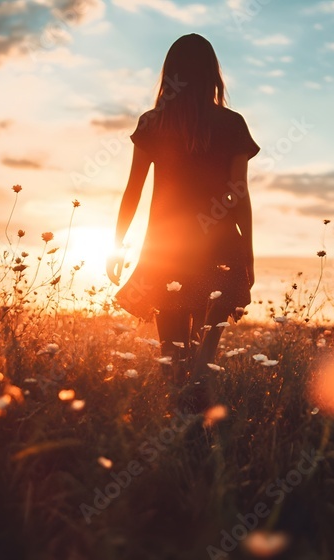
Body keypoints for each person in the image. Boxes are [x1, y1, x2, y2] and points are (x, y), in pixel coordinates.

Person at [107, 33, 259, 408]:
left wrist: (117, 243)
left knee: (173, 358)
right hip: (221, 247)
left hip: (166, 251)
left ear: (170, 75)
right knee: (202, 361)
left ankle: (180, 438)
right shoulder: (231, 123)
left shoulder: (153, 123)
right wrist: (248, 253)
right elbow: (238, 193)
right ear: (213, 75)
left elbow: (133, 190)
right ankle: (202, 442)